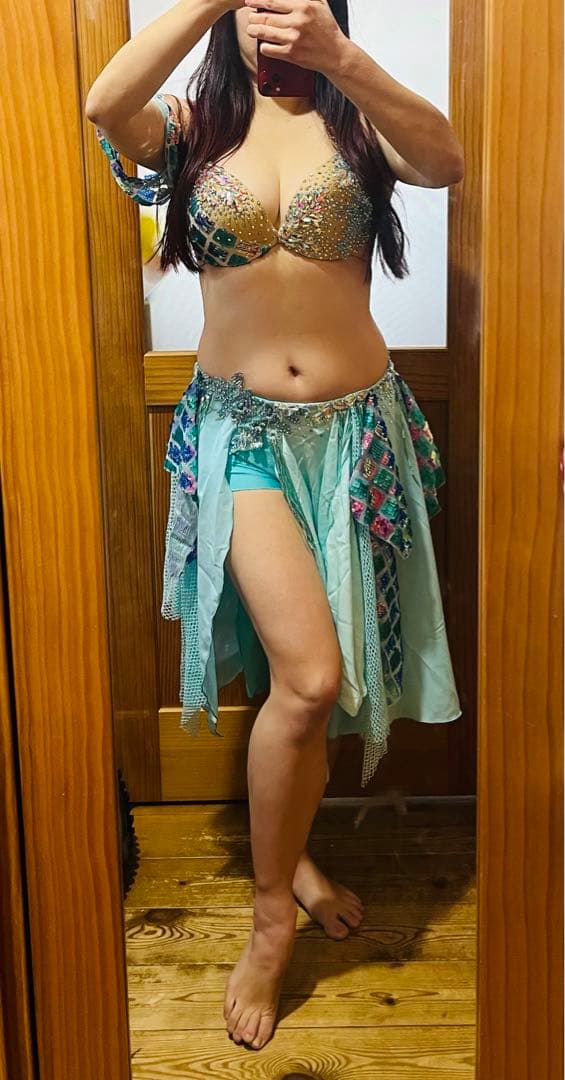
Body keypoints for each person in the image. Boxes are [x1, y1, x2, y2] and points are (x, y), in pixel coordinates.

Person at [86, 0, 464, 1051]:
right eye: (250, 2)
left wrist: (344, 58)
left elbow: (444, 162)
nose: (270, 19)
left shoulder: (357, 120)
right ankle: (268, 919)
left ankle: (290, 854)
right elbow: (104, 103)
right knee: (306, 673)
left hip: (356, 435)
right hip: (239, 434)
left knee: (307, 684)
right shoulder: (191, 127)